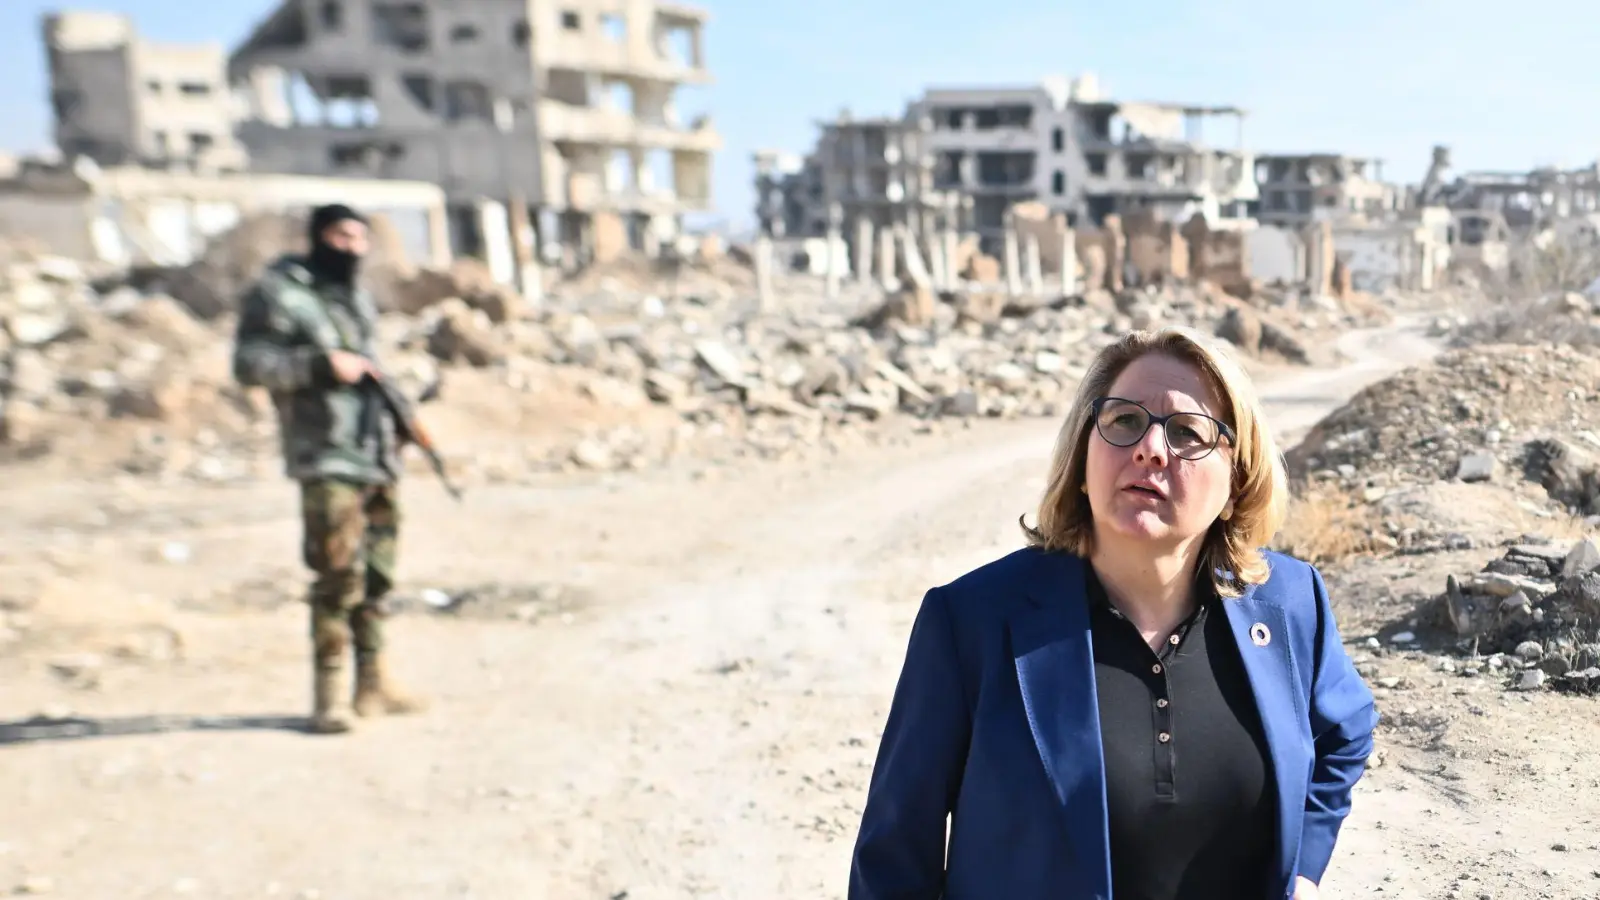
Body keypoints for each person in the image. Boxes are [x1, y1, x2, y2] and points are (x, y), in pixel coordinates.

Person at [848, 326, 1377, 900]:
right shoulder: (971, 621)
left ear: (1235, 484)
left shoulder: (1289, 604)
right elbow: (894, 856)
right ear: (1082, 458)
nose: (1150, 449)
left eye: (1187, 433)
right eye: (1124, 422)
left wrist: (1302, 869)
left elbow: (1344, 732)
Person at [231, 203, 425, 735]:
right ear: (318, 237)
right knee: (337, 572)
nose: (353, 247)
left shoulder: (354, 298)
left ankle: (373, 682)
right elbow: (249, 364)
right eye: (342, 235)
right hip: (325, 452)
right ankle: (330, 695)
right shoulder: (279, 294)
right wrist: (318, 366)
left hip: (372, 450)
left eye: (360, 238)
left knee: (379, 573)